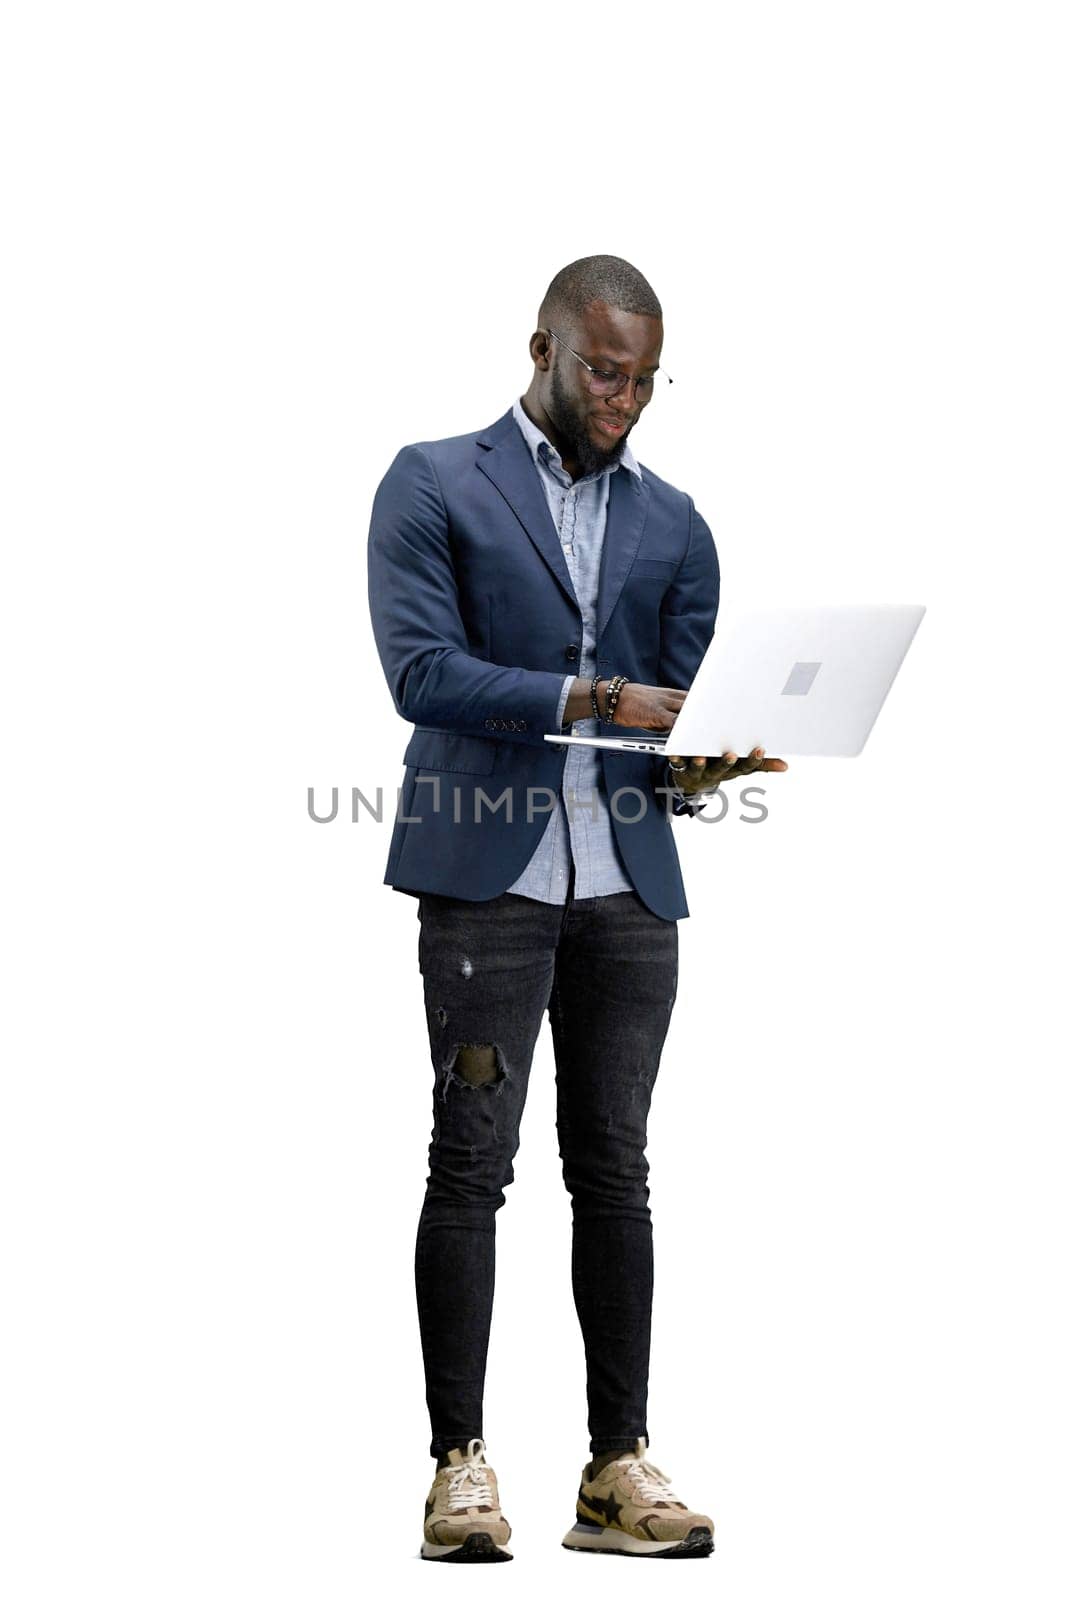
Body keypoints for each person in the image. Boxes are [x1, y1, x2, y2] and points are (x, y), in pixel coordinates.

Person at [367, 255, 786, 1562]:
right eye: (605, 370)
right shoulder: (436, 482)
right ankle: (460, 1468)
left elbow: (675, 722)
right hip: (485, 877)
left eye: (646, 377)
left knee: (615, 1172)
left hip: (627, 889)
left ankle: (616, 1470)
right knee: (470, 1166)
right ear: (540, 345)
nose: (625, 398)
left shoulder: (676, 521)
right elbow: (423, 671)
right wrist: (603, 704)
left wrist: (709, 759)